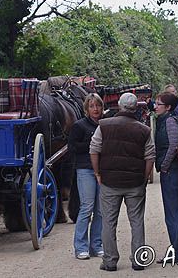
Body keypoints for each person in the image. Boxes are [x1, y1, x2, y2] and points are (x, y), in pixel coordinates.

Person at [90, 93, 155, 272]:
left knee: (109, 222)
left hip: (110, 182)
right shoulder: (144, 130)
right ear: (136, 108)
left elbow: (94, 150)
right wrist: (144, 178)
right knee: (137, 221)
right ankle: (138, 260)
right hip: (135, 183)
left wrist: (97, 173)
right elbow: (150, 156)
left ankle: (110, 261)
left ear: (119, 105)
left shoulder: (104, 125)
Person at [68, 93, 104, 260]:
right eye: (92, 106)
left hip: (103, 170)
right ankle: (80, 246)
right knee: (87, 208)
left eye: (97, 106)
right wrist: (92, 144)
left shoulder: (105, 124)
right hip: (85, 170)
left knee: (101, 210)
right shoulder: (80, 126)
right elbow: (72, 147)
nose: (95, 109)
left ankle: (96, 245)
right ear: (86, 109)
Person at [154, 92, 178, 264]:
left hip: (172, 171)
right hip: (173, 170)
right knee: (172, 212)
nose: (155, 106)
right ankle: (177, 250)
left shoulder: (169, 121)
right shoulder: (166, 119)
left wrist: (164, 166)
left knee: (174, 213)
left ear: (168, 107)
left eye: (159, 104)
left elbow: (173, 146)